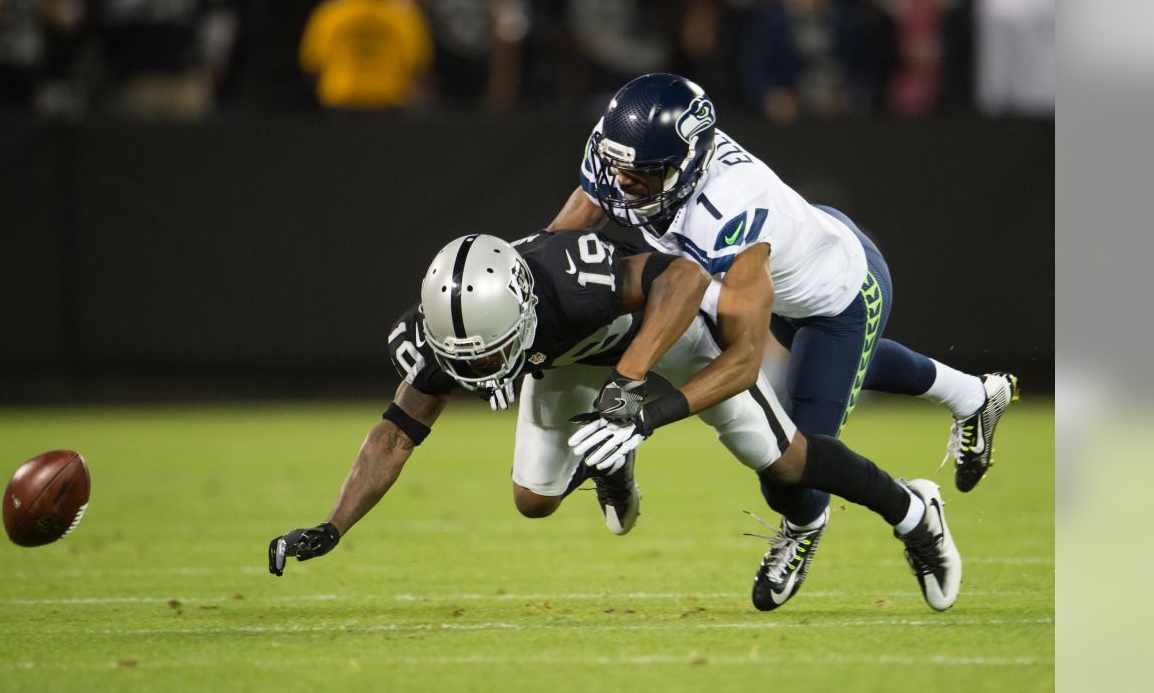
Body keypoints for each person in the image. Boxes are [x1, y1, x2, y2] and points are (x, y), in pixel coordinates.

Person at [268, 230, 963, 612]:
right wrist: (334, 525)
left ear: (519, 308)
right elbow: (395, 433)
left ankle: (912, 511)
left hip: (663, 335)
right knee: (533, 500)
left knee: (781, 458)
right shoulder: (447, 336)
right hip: (566, 361)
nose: (479, 377)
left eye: (489, 358)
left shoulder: (568, 278)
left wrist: (631, 382)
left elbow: (684, 277)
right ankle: (613, 460)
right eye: (465, 364)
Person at [548, 72, 1013, 608]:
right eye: (620, 170)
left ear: (689, 163)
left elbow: (745, 363)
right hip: (798, 261)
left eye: (642, 176)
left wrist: (645, 416)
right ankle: (975, 397)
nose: (624, 186)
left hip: (839, 296)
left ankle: (882, 514)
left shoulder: (729, 209)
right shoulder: (623, 156)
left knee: (789, 468)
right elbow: (572, 228)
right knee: (825, 374)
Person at [298, 0, 433, 109]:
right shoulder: (405, 16)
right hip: (388, 103)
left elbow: (312, 65)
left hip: (340, 101)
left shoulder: (329, 13)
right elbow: (418, 67)